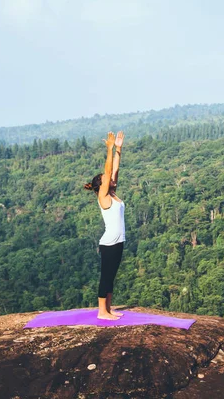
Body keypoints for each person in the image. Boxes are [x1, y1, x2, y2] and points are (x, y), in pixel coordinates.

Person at [84, 131, 126, 320]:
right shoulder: (103, 197)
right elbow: (108, 171)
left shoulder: (113, 193)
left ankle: (108, 308)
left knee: (112, 277)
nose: (109, 179)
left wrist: (118, 149)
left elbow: (114, 171)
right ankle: (102, 312)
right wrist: (109, 149)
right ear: (101, 185)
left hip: (118, 242)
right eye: (105, 179)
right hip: (109, 243)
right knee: (106, 277)